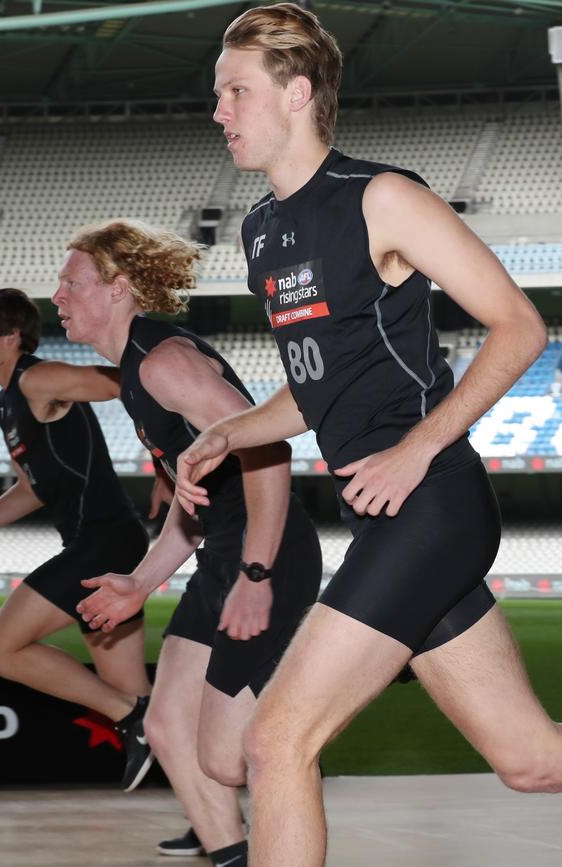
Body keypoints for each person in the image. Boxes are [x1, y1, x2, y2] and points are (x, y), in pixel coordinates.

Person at [174, 4, 562, 865]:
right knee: (532, 761)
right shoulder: (262, 232)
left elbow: (519, 327)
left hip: (431, 504)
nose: (219, 112)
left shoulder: (381, 197)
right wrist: (230, 432)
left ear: (298, 93)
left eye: (236, 91)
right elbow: (320, 389)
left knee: (274, 743)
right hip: (387, 517)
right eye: (217, 94)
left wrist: (419, 445)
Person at [47, 219, 322, 866]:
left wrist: (257, 572)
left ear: (117, 289)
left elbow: (271, 453)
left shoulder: (164, 363)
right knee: (167, 726)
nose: (57, 296)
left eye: (70, 283)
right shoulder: (137, 374)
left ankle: (360, 666)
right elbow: (189, 503)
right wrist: (141, 581)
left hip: (261, 551)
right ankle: (231, 853)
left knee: (231, 755)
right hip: (223, 551)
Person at [0, 288, 154, 792]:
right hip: (102, 544)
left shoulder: (38, 378)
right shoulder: (8, 403)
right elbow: (31, 490)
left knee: (0, 650)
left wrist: (166, 458)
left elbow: (127, 381)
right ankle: (212, 819)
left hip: (104, 545)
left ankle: (130, 715)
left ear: (11, 335)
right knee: (135, 693)